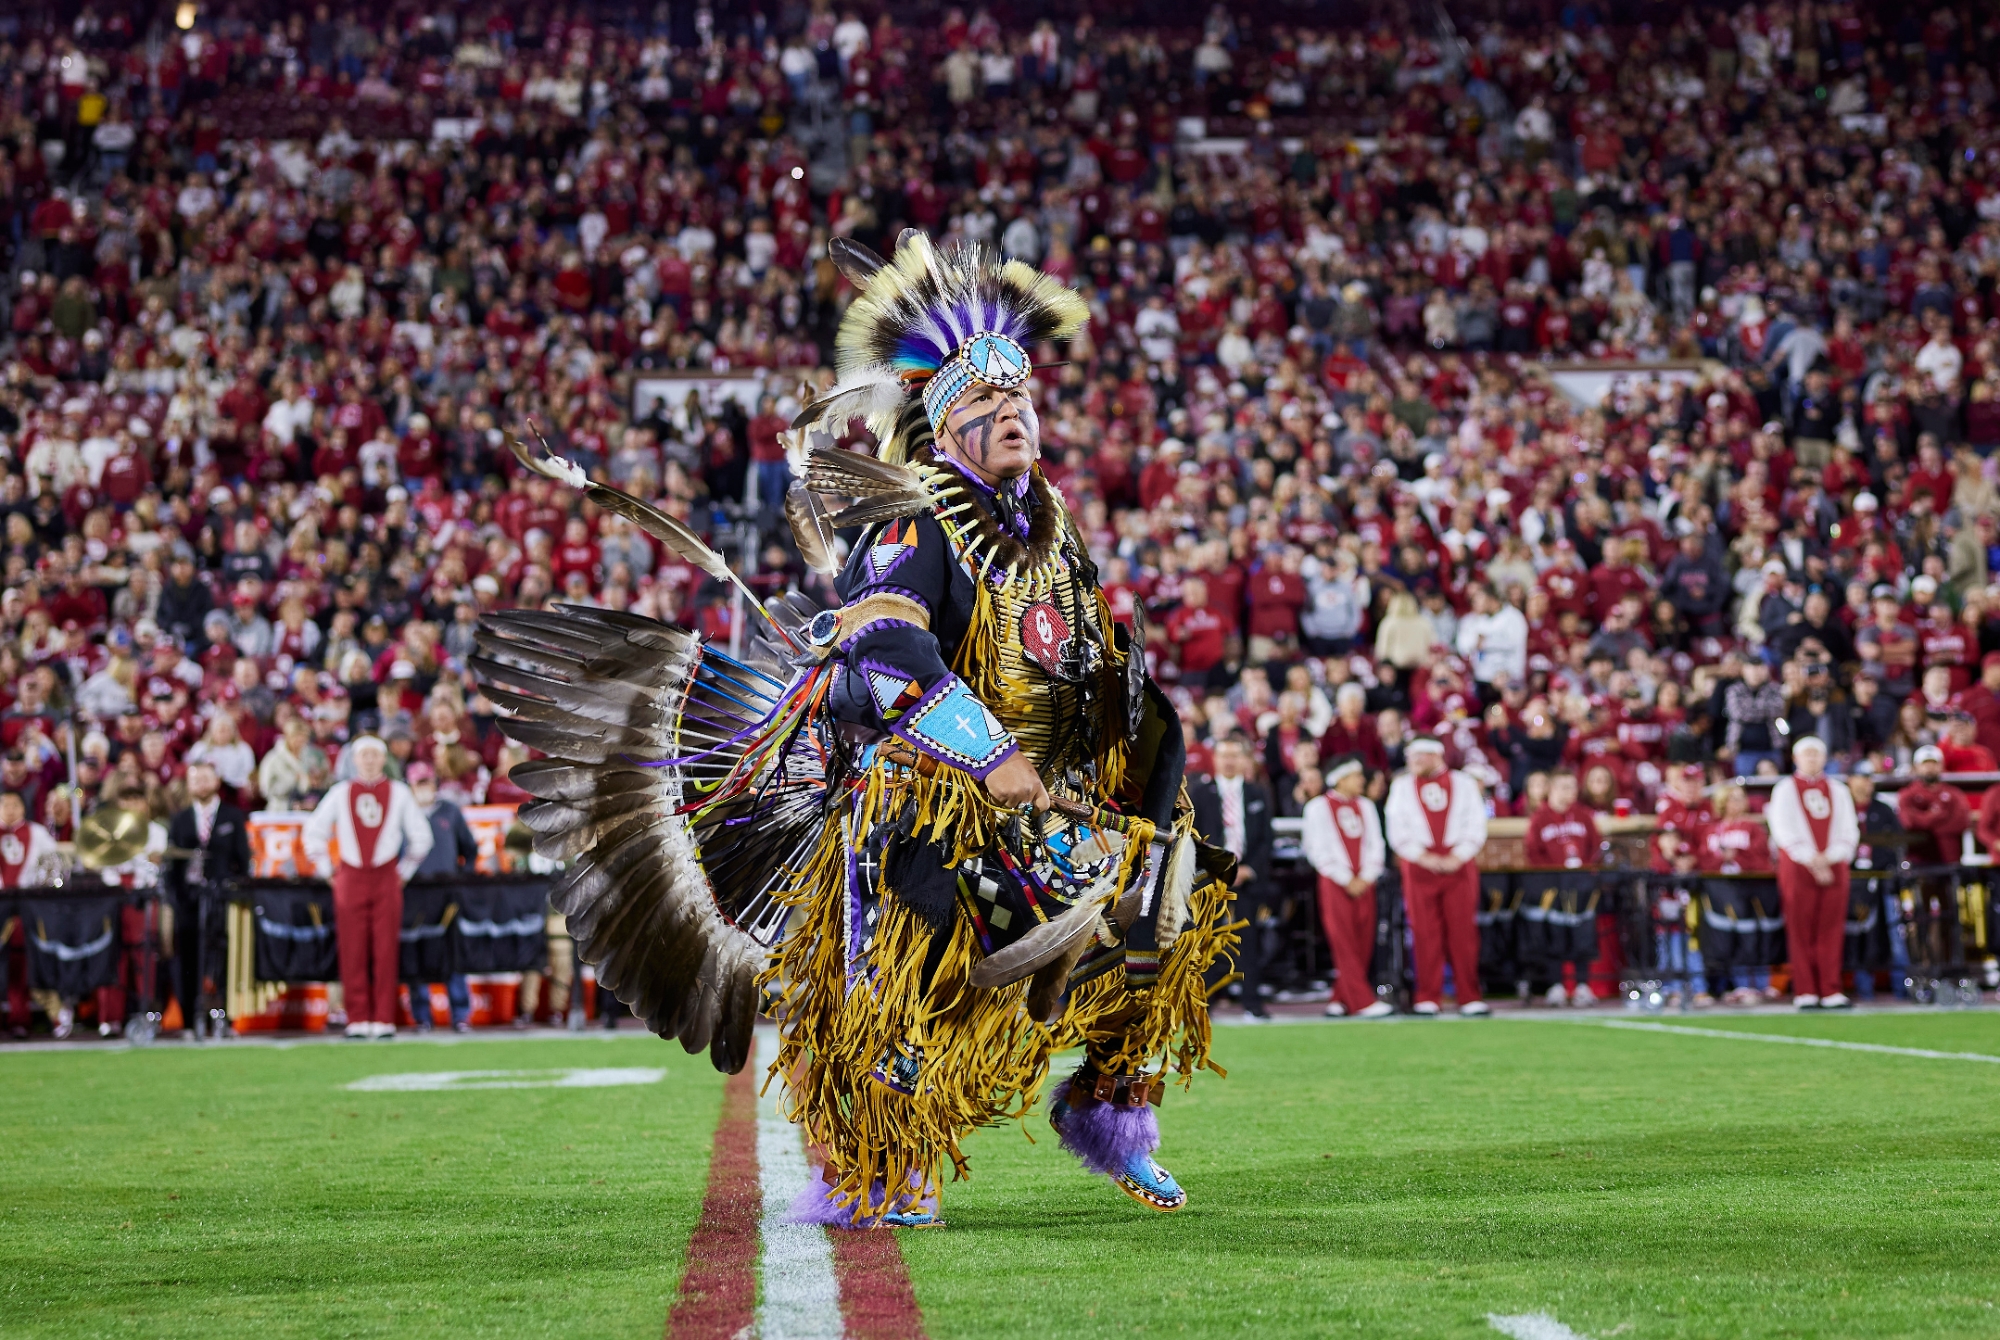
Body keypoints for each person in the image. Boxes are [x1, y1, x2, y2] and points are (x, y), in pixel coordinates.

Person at [480, 233, 1229, 1228]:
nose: (1013, 412)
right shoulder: (915, 520)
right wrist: (991, 753)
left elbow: (1086, 656)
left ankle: (1109, 1111)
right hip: (927, 803)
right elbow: (883, 652)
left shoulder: (1053, 530)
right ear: (944, 424)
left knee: (1171, 907)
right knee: (908, 987)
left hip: (1046, 798)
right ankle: (881, 1165)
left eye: (1021, 397)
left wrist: (1134, 757)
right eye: (985, 401)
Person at [303, 735, 432, 1039]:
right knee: (352, 949)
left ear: (384, 759)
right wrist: (327, 871)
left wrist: (404, 871)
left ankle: (384, 1018)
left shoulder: (399, 793)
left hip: (386, 876)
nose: (370, 761)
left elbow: (422, 837)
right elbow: (313, 832)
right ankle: (357, 1018)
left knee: (386, 949)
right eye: (365, 755)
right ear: (355, 760)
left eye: (375, 755)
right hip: (350, 876)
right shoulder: (340, 792)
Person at [1384, 736, 1490, 1016]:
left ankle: (1469, 995)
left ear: (1434, 755)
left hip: (1458, 864)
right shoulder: (1402, 786)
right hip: (1419, 865)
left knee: (1463, 931)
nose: (1412, 762)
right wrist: (1421, 856)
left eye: (1418, 756)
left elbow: (1476, 822)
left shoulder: (1464, 784)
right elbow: (1396, 827)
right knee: (1423, 932)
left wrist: (1460, 854)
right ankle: (1428, 995)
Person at [1765, 736, 1859, 1009]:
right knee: (1799, 927)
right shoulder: (1784, 789)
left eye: (1816, 754)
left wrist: (1830, 857)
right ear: (1796, 758)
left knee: (1831, 927)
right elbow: (1782, 828)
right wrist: (1811, 859)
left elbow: (1849, 828)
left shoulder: (1838, 789)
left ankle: (1830, 988)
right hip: (1798, 866)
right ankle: (1805, 989)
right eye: (1807, 754)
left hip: (1834, 865)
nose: (1812, 759)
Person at [163, 760, 252, 1040]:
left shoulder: (233, 816)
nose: (201, 784)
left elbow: (243, 861)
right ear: (188, 785)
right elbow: (171, 867)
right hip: (188, 900)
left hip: (222, 899)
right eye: (195, 779)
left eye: (205, 778)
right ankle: (189, 1021)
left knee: (225, 959)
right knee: (187, 960)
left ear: (216, 782)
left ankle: (226, 1017)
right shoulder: (179, 820)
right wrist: (177, 898)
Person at [1300, 755, 1390, 1018]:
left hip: (1364, 881)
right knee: (1343, 941)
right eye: (1356, 776)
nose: (1362, 780)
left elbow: (1376, 843)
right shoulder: (1317, 807)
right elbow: (1316, 848)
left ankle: (1340, 999)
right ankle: (1362, 1001)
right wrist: (1344, 878)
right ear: (1340, 779)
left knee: (1363, 940)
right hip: (1335, 883)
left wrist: (1368, 875)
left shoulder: (1366, 806)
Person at [1192, 735, 1275, 1020]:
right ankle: (1204, 1004)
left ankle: (1252, 1003)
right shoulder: (1199, 794)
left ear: (1243, 759)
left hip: (1248, 880)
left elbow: (1266, 838)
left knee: (1249, 941)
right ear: (1214, 759)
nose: (1228, 761)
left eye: (1234, 755)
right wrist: (1217, 868)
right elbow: (1193, 838)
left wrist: (1249, 869)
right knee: (1207, 940)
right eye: (1224, 755)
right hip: (1211, 881)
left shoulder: (1257, 793)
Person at [407, 761, 479, 1033]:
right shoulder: (404, 812)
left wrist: (462, 877)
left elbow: (469, 849)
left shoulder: (450, 811)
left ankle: (460, 1014)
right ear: (410, 786)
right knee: (416, 953)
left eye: (427, 782)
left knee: (452, 952)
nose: (424, 787)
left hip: (446, 894)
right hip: (414, 894)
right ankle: (422, 1016)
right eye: (419, 783)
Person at [1521, 770, 1603, 1007]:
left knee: (1582, 934)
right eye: (1564, 787)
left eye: (1572, 787)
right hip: (1552, 884)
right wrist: (1550, 876)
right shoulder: (1540, 818)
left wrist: (1587, 871)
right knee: (1554, 934)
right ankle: (1555, 985)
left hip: (1580, 883)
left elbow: (1595, 846)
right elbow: (1533, 851)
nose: (1569, 792)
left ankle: (1582, 985)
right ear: (1552, 789)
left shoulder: (1583, 815)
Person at [0, 790, 62, 1037]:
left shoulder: (37, 833)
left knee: (30, 962)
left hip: (29, 905)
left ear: (23, 808)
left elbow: (56, 864)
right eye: (5, 804)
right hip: (2, 903)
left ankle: (51, 1016)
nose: (10, 809)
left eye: (15, 804)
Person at [1897, 745, 1971, 864]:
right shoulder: (1907, 794)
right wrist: (1940, 816)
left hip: (1949, 858)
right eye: (1925, 764)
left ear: (1942, 765)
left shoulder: (1954, 793)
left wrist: (1923, 822)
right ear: (1916, 767)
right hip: (1919, 859)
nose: (1930, 768)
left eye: (1934, 763)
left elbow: (1962, 822)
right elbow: (1907, 822)